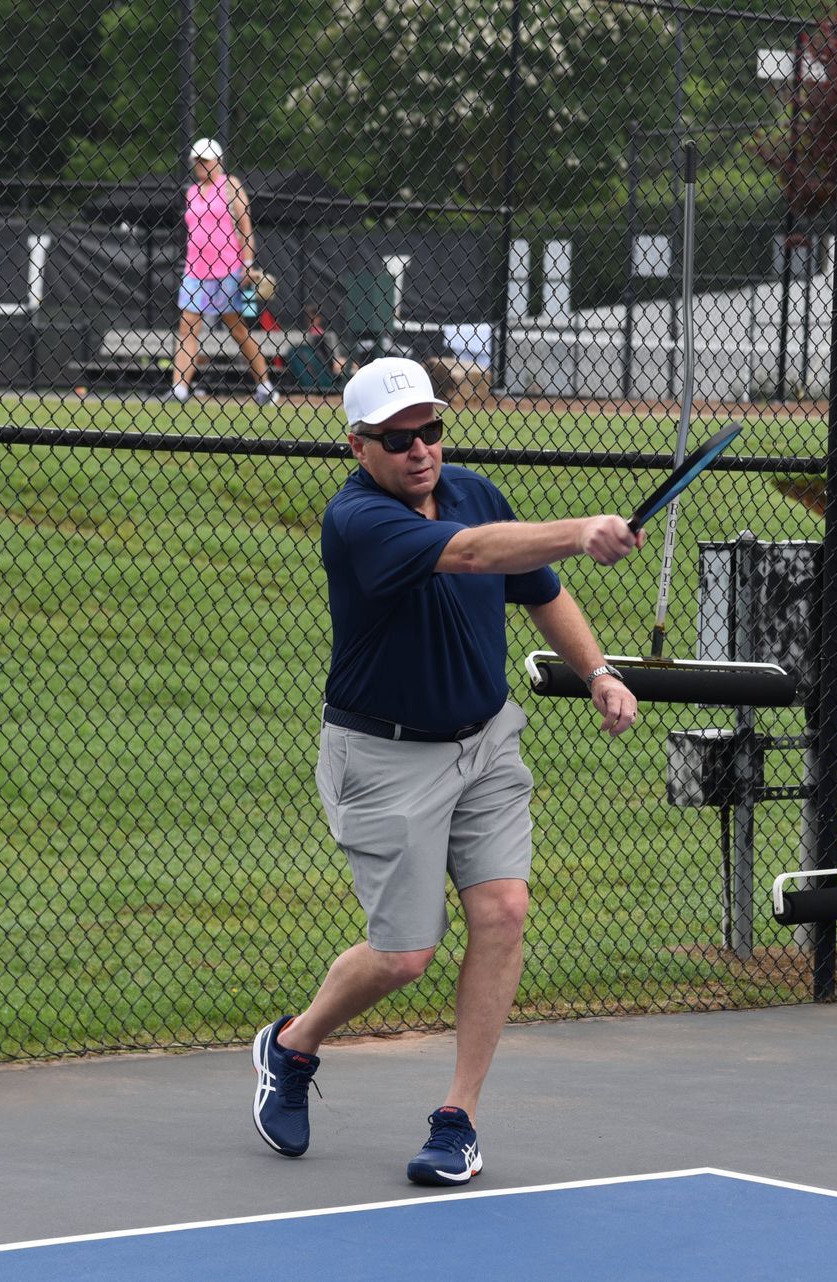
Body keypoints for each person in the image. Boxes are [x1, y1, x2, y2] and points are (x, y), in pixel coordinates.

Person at [252, 356, 643, 1185]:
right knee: (404, 957)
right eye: (399, 439)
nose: (421, 450)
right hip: (385, 758)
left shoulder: (472, 487)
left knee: (503, 911)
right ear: (359, 446)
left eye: (431, 429)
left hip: (487, 740)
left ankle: (457, 1117)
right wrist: (580, 527)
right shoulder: (359, 521)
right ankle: (292, 1046)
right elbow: (469, 556)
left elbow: (538, 589)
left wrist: (599, 671)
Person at [172, 137, 275, 406]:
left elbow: (244, 227)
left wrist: (248, 265)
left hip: (227, 270)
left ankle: (265, 386)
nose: (200, 165)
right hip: (195, 270)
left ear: (218, 161)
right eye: (197, 160)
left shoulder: (230, 185)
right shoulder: (192, 191)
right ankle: (179, 389)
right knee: (187, 329)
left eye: (205, 160)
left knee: (238, 331)